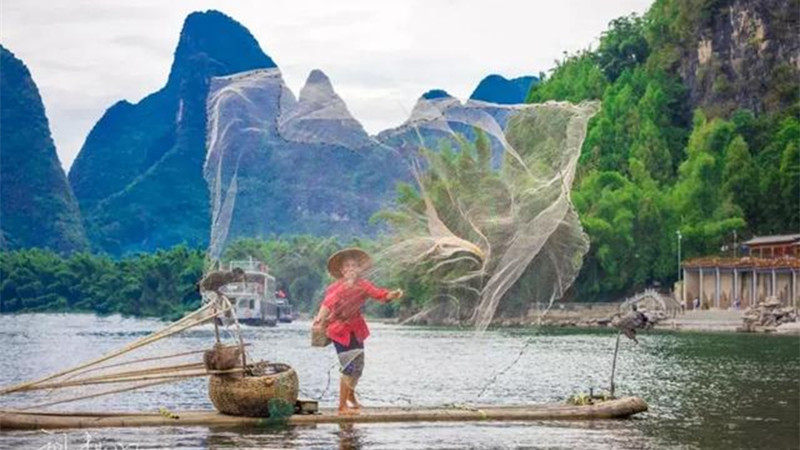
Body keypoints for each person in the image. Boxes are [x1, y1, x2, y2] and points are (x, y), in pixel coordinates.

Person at [312, 248, 403, 415]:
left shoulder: (363, 285)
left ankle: (351, 397)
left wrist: (393, 295)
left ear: (359, 268)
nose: (351, 269)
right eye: (347, 266)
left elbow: (379, 294)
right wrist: (319, 320)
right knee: (348, 366)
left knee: (358, 367)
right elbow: (327, 304)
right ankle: (342, 406)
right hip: (339, 330)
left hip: (356, 329)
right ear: (342, 270)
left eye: (354, 265)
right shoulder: (336, 287)